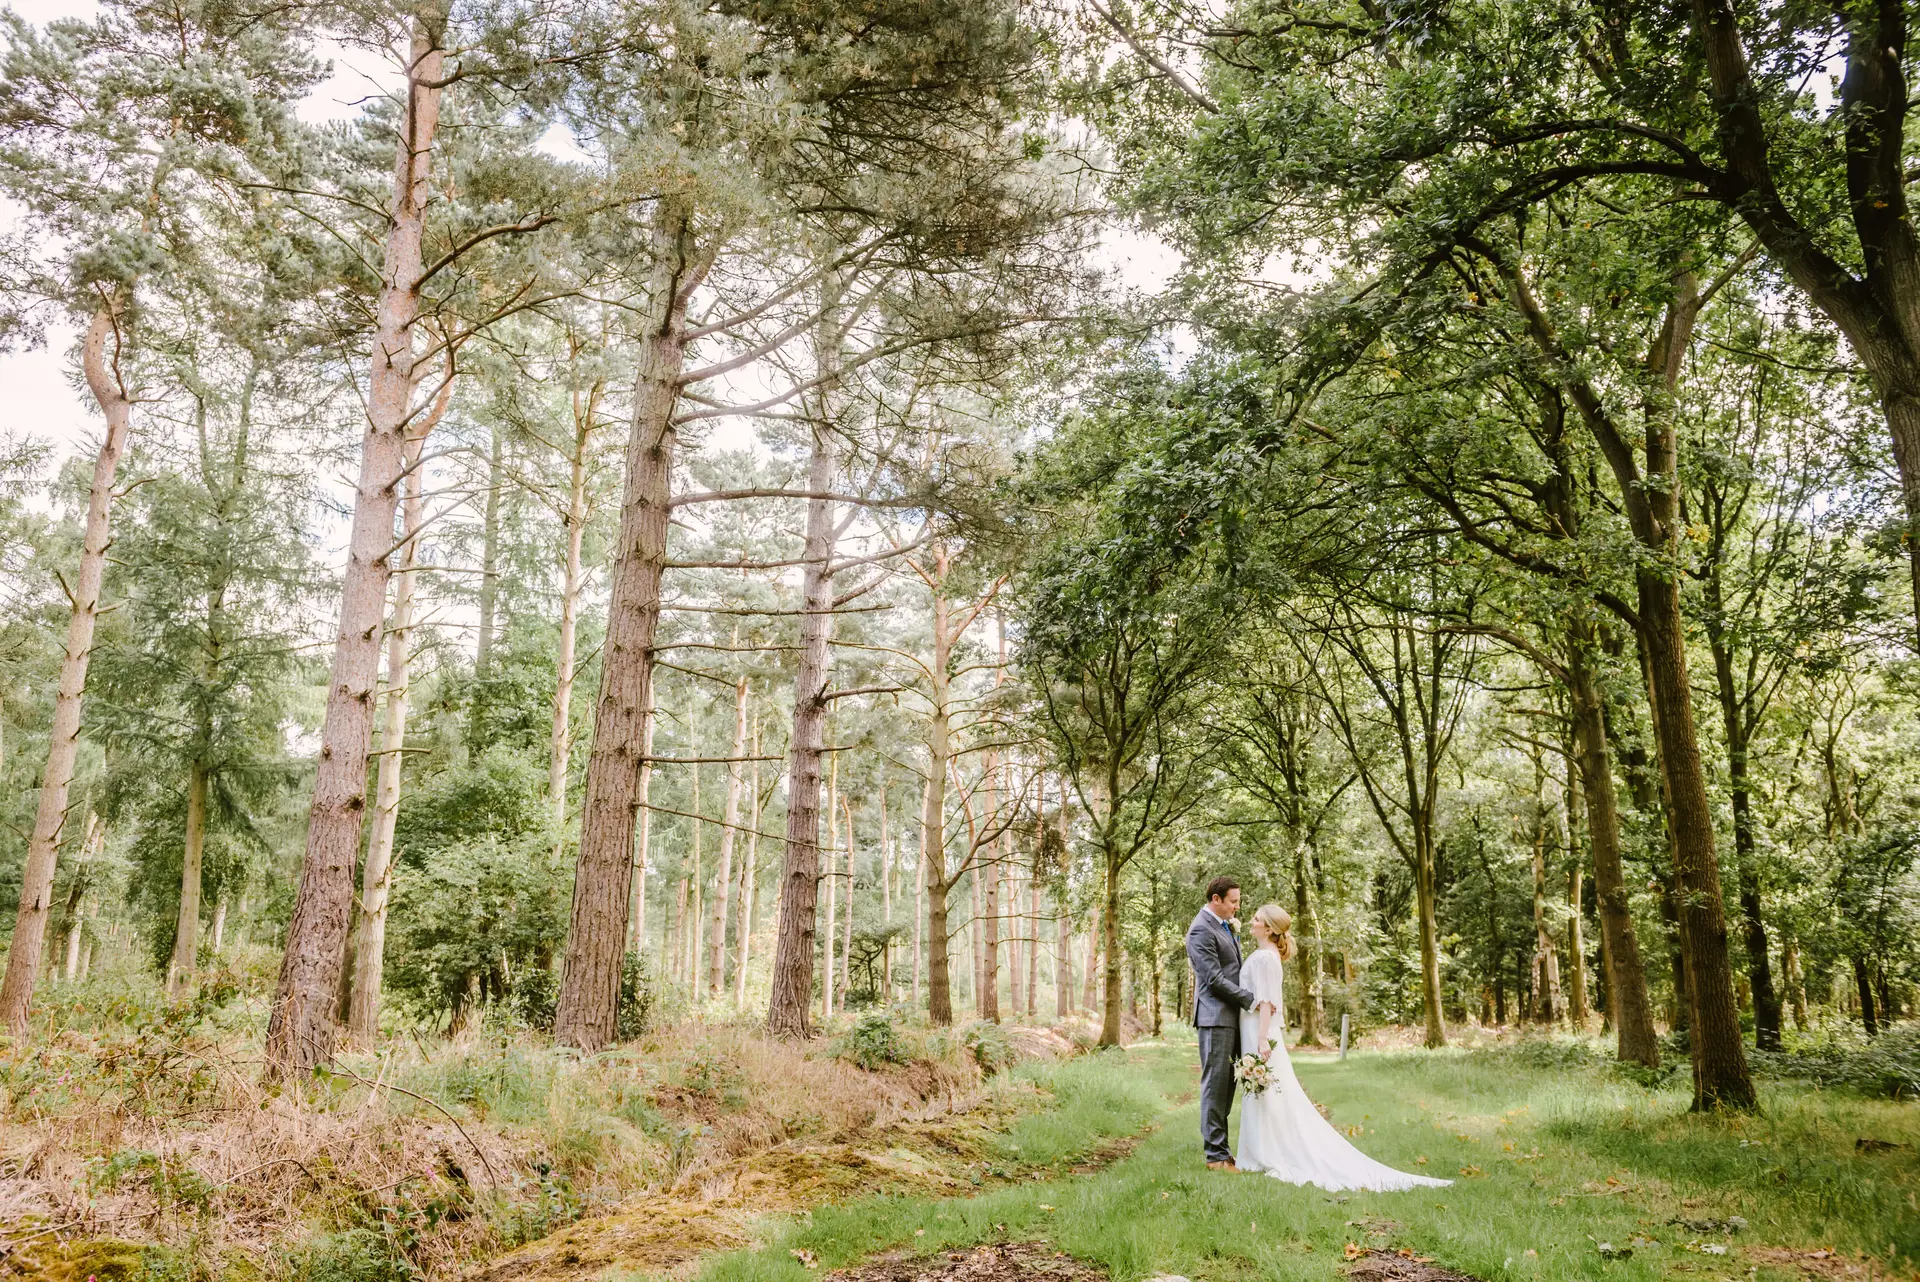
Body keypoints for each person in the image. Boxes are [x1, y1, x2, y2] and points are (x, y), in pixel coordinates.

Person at [1236, 903, 1452, 1191]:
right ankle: (1258, 1151)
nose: (1251, 922)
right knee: (1264, 1092)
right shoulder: (1267, 955)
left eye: (1257, 919)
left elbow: (1266, 1002)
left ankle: (1266, 1153)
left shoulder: (1265, 958)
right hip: (1254, 1028)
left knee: (1266, 1091)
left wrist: (1263, 1038)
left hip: (1259, 1030)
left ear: (1269, 928)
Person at [1185, 877, 1254, 1171]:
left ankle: (1223, 1152)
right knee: (1215, 1087)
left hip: (1230, 1017)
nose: (1237, 907)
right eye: (1233, 901)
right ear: (1216, 899)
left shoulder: (1224, 925)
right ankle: (1215, 1157)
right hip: (1214, 1018)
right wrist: (1249, 999)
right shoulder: (1201, 929)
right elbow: (1213, 978)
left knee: (1226, 1089)